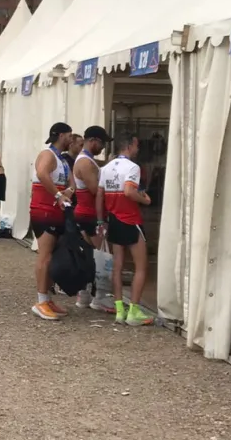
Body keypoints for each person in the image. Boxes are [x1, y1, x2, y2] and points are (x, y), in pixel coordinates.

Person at [98, 134, 155, 327]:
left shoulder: (106, 168)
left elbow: (99, 196)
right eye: (137, 145)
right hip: (130, 220)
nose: (138, 149)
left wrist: (101, 220)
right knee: (141, 267)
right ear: (129, 146)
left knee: (117, 266)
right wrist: (145, 200)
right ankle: (134, 311)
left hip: (113, 220)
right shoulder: (132, 168)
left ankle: (120, 311)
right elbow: (129, 191)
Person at [29, 122, 75, 321]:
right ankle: (40, 300)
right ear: (61, 135)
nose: (71, 140)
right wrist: (57, 195)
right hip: (44, 211)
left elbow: (72, 182)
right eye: (69, 136)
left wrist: (68, 192)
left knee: (52, 256)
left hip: (56, 211)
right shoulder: (48, 155)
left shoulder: (62, 159)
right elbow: (41, 173)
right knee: (45, 255)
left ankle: (47, 298)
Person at [71, 126, 113, 311]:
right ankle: (100, 297)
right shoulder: (85, 163)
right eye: (102, 144)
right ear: (93, 141)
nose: (103, 148)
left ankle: (86, 294)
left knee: (89, 255)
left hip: (85, 213)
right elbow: (96, 190)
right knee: (101, 255)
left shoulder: (87, 161)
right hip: (90, 214)